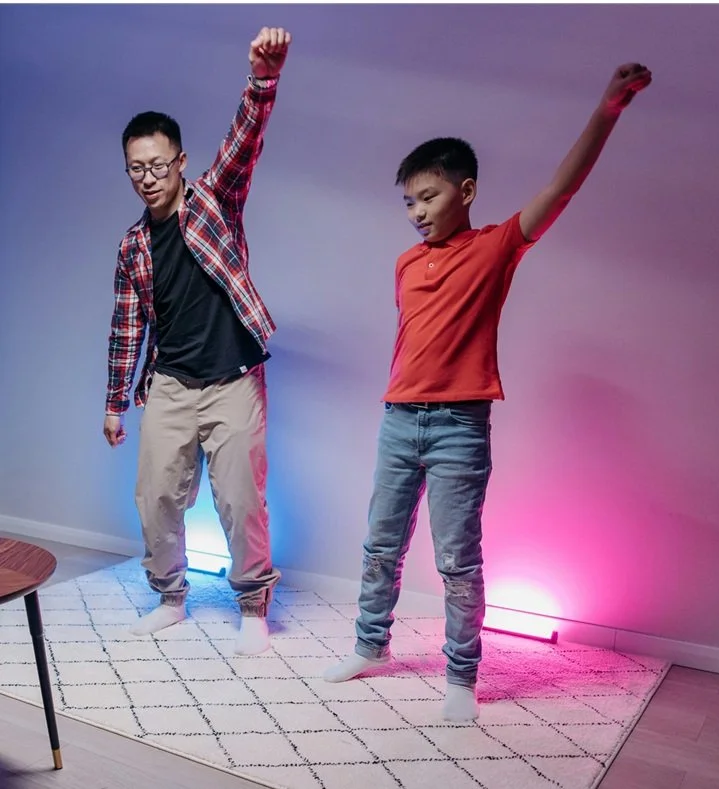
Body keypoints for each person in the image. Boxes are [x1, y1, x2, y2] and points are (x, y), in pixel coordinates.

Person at [323, 63, 653, 719]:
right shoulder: (405, 263)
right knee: (380, 545)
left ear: (466, 190)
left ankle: (460, 676)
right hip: (398, 420)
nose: (417, 212)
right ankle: (370, 644)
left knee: (456, 559)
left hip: (458, 426)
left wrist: (608, 109)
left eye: (428, 197)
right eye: (408, 202)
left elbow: (560, 190)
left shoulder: (496, 247)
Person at [103, 27, 292, 656]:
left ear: (180, 162)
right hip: (171, 384)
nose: (148, 177)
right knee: (155, 496)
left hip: (234, 379)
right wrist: (114, 403)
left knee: (242, 500)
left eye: (158, 165)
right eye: (137, 168)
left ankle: (252, 605)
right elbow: (127, 327)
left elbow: (244, 142)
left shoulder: (214, 200)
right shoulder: (133, 245)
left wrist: (262, 79)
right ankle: (170, 598)